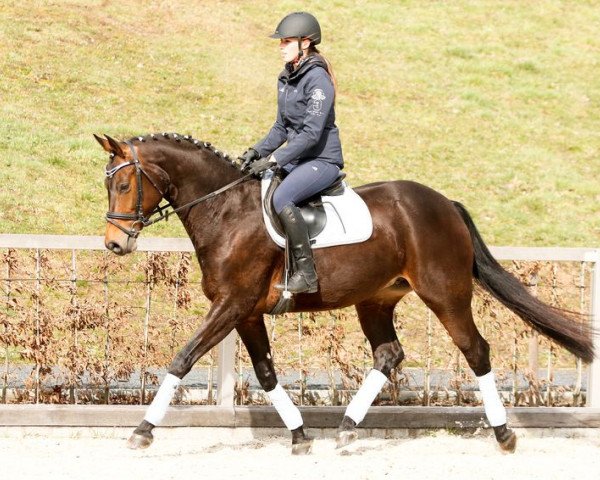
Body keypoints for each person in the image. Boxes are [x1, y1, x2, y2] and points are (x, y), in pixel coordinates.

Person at [240, 11, 344, 294]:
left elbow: (311, 134)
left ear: (305, 43)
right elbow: (281, 127)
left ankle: (306, 274)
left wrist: (274, 159)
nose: (281, 46)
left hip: (321, 160)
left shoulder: (317, 80)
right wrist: (256, 151)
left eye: (286, 41)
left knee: (283, 196)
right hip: (297, 160)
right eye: (281, 41)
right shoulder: (286, 78)